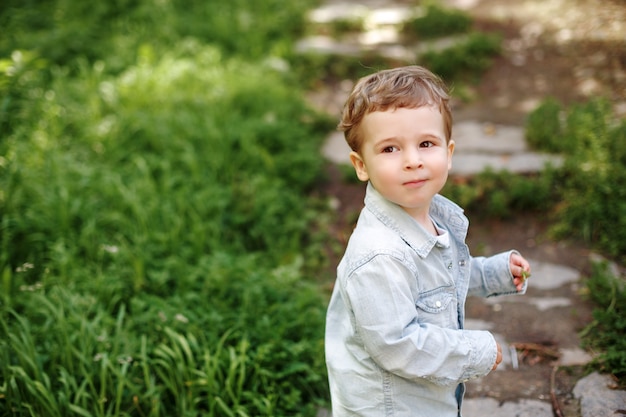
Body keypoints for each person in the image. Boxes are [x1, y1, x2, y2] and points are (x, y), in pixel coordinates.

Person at [324, 65, 531, 417]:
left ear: (449, 153)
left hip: (423, 398)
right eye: (390, 149)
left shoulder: (428, 216)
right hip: (391, 406)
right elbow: (397, 344)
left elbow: (437, 280)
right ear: (361, 165)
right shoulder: (379, 255)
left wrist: (494, 273)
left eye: (426, 144)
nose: (413, 161)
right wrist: (475, 350)